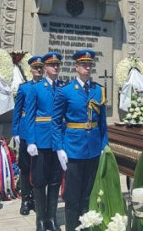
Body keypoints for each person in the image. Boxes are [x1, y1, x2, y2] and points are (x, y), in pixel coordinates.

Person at [52, 49, 108, 231]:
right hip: (73, 149)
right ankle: (70, 227)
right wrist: (59, 148)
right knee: (72, 196)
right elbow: (55, 122)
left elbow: (102, 123)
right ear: (76, 67)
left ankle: (85, 227)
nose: (87, 67)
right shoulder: (65, 91)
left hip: (92, 150)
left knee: (88, 194)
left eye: (90, 64)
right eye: (83, 64)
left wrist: (103, 146)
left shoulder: (98, 90)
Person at [24, 52, 65, 231]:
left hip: (58, 142)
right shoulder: (36, 88)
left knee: (55, 180)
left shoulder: (63, 88)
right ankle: (40, 219)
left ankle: (52, 218)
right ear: (45, 68)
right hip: (41, 141)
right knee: (40, 181)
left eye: (57, 65)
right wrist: (31, 141)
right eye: (51, 65)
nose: (55, 68)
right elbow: (30, 116)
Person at [11, 55, 44, 216]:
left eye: (40, 67)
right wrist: (15, 131)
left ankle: (37, 199)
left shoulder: (47, 87)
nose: (38, 70)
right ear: (30, 70)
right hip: (25, 132)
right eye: (35, 67)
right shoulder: (24, 88)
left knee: (39, 168)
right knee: (25, 168)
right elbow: (17, 111)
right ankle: (26, 199)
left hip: (41, 133)